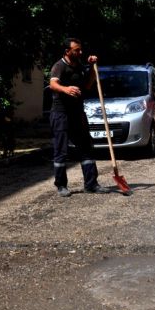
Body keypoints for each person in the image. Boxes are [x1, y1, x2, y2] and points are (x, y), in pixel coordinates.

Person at [49, 38, 107, 197]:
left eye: (80, 49)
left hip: (78, 113)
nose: (80, 52)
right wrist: (65, 89)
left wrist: (93, 67)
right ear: (67, 51)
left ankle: (91, 184)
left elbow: (88, 85)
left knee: (86, 147)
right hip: (61, 114)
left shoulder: (80, 67)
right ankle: (61, 185)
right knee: (61, 150)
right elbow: (53, 84)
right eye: (76, 50)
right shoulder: (59, 66)